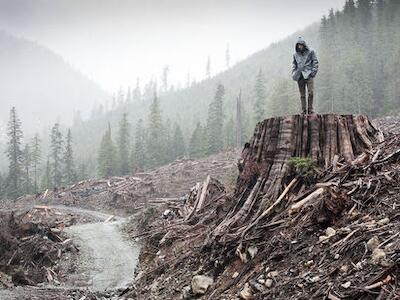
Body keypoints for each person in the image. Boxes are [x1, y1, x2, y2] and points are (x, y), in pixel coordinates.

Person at [292, 37, 319, 114]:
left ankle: (310, 110)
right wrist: (294, 73)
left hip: (309, 74)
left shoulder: (311, 52)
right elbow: (294, 65)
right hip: (299, 76)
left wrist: (313, 72)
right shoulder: (295, 55)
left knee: (311, 93)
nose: (299, 46)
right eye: (298, 45)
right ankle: (303, 110)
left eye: (301, 45)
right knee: (302, 95)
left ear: (304, 45)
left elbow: (315, 62)